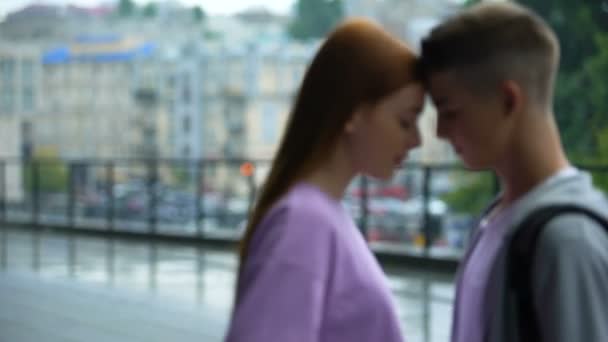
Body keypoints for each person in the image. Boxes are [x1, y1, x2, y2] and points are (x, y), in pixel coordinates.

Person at [225, 18, 424, 342]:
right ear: (354, 114)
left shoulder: (319, 215)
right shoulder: (304, 223)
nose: (416, 140)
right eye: (405, 121)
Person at [418, 2, 608, 342]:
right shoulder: (495, 219)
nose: (440, 132)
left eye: (450, 111)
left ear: (508, 100)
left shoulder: (568, 240)